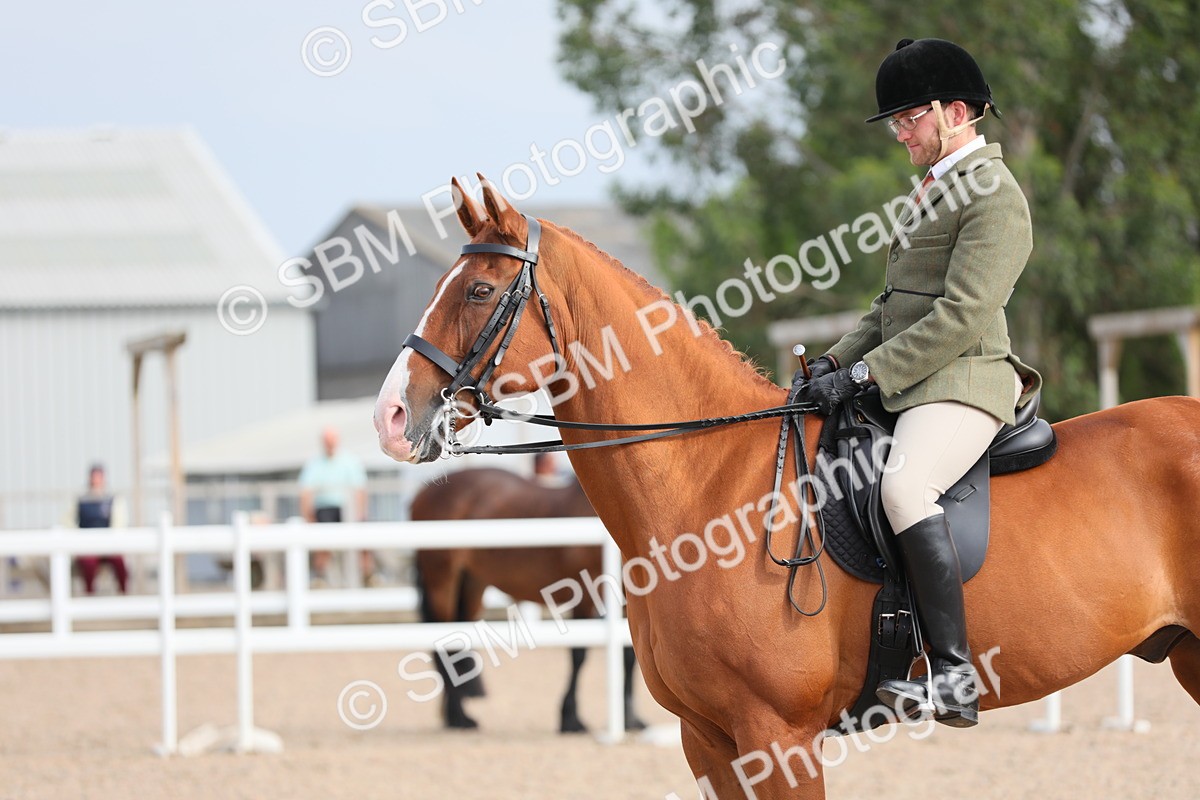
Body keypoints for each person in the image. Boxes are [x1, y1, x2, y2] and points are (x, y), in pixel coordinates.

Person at [797, 38, 1042, 728]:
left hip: (967, 379)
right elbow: (889, 307)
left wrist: (869, 374)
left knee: (905, 486)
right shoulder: (935, 188)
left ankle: (954, 674)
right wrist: (834, 364)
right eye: (897, 121)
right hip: (914, 378)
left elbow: (961, 316)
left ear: (956, 111)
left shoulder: (996, 197)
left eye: (910, 118)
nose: (900, 132)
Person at [298, 427, 375, 586]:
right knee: (322, 539)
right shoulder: (314, 463)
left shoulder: (350, 460)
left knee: (363, 538)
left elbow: (360, 490)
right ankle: (319, 575)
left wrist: (360, 513)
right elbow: (306, 492)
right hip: (325, 508)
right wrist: (308, 517)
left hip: (348, 508)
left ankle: (368, 573)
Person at [73, 463, 129, 595]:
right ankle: (90, 595)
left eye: (99, 477)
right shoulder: (81, 500)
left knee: (119, 562)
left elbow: (119, 524)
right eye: (94, 477)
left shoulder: (112, 500)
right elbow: (70, 522)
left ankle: (124, 594)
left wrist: (112, 543)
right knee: (88, 564)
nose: (96, 480)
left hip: (108, 545)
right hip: (87, 546)